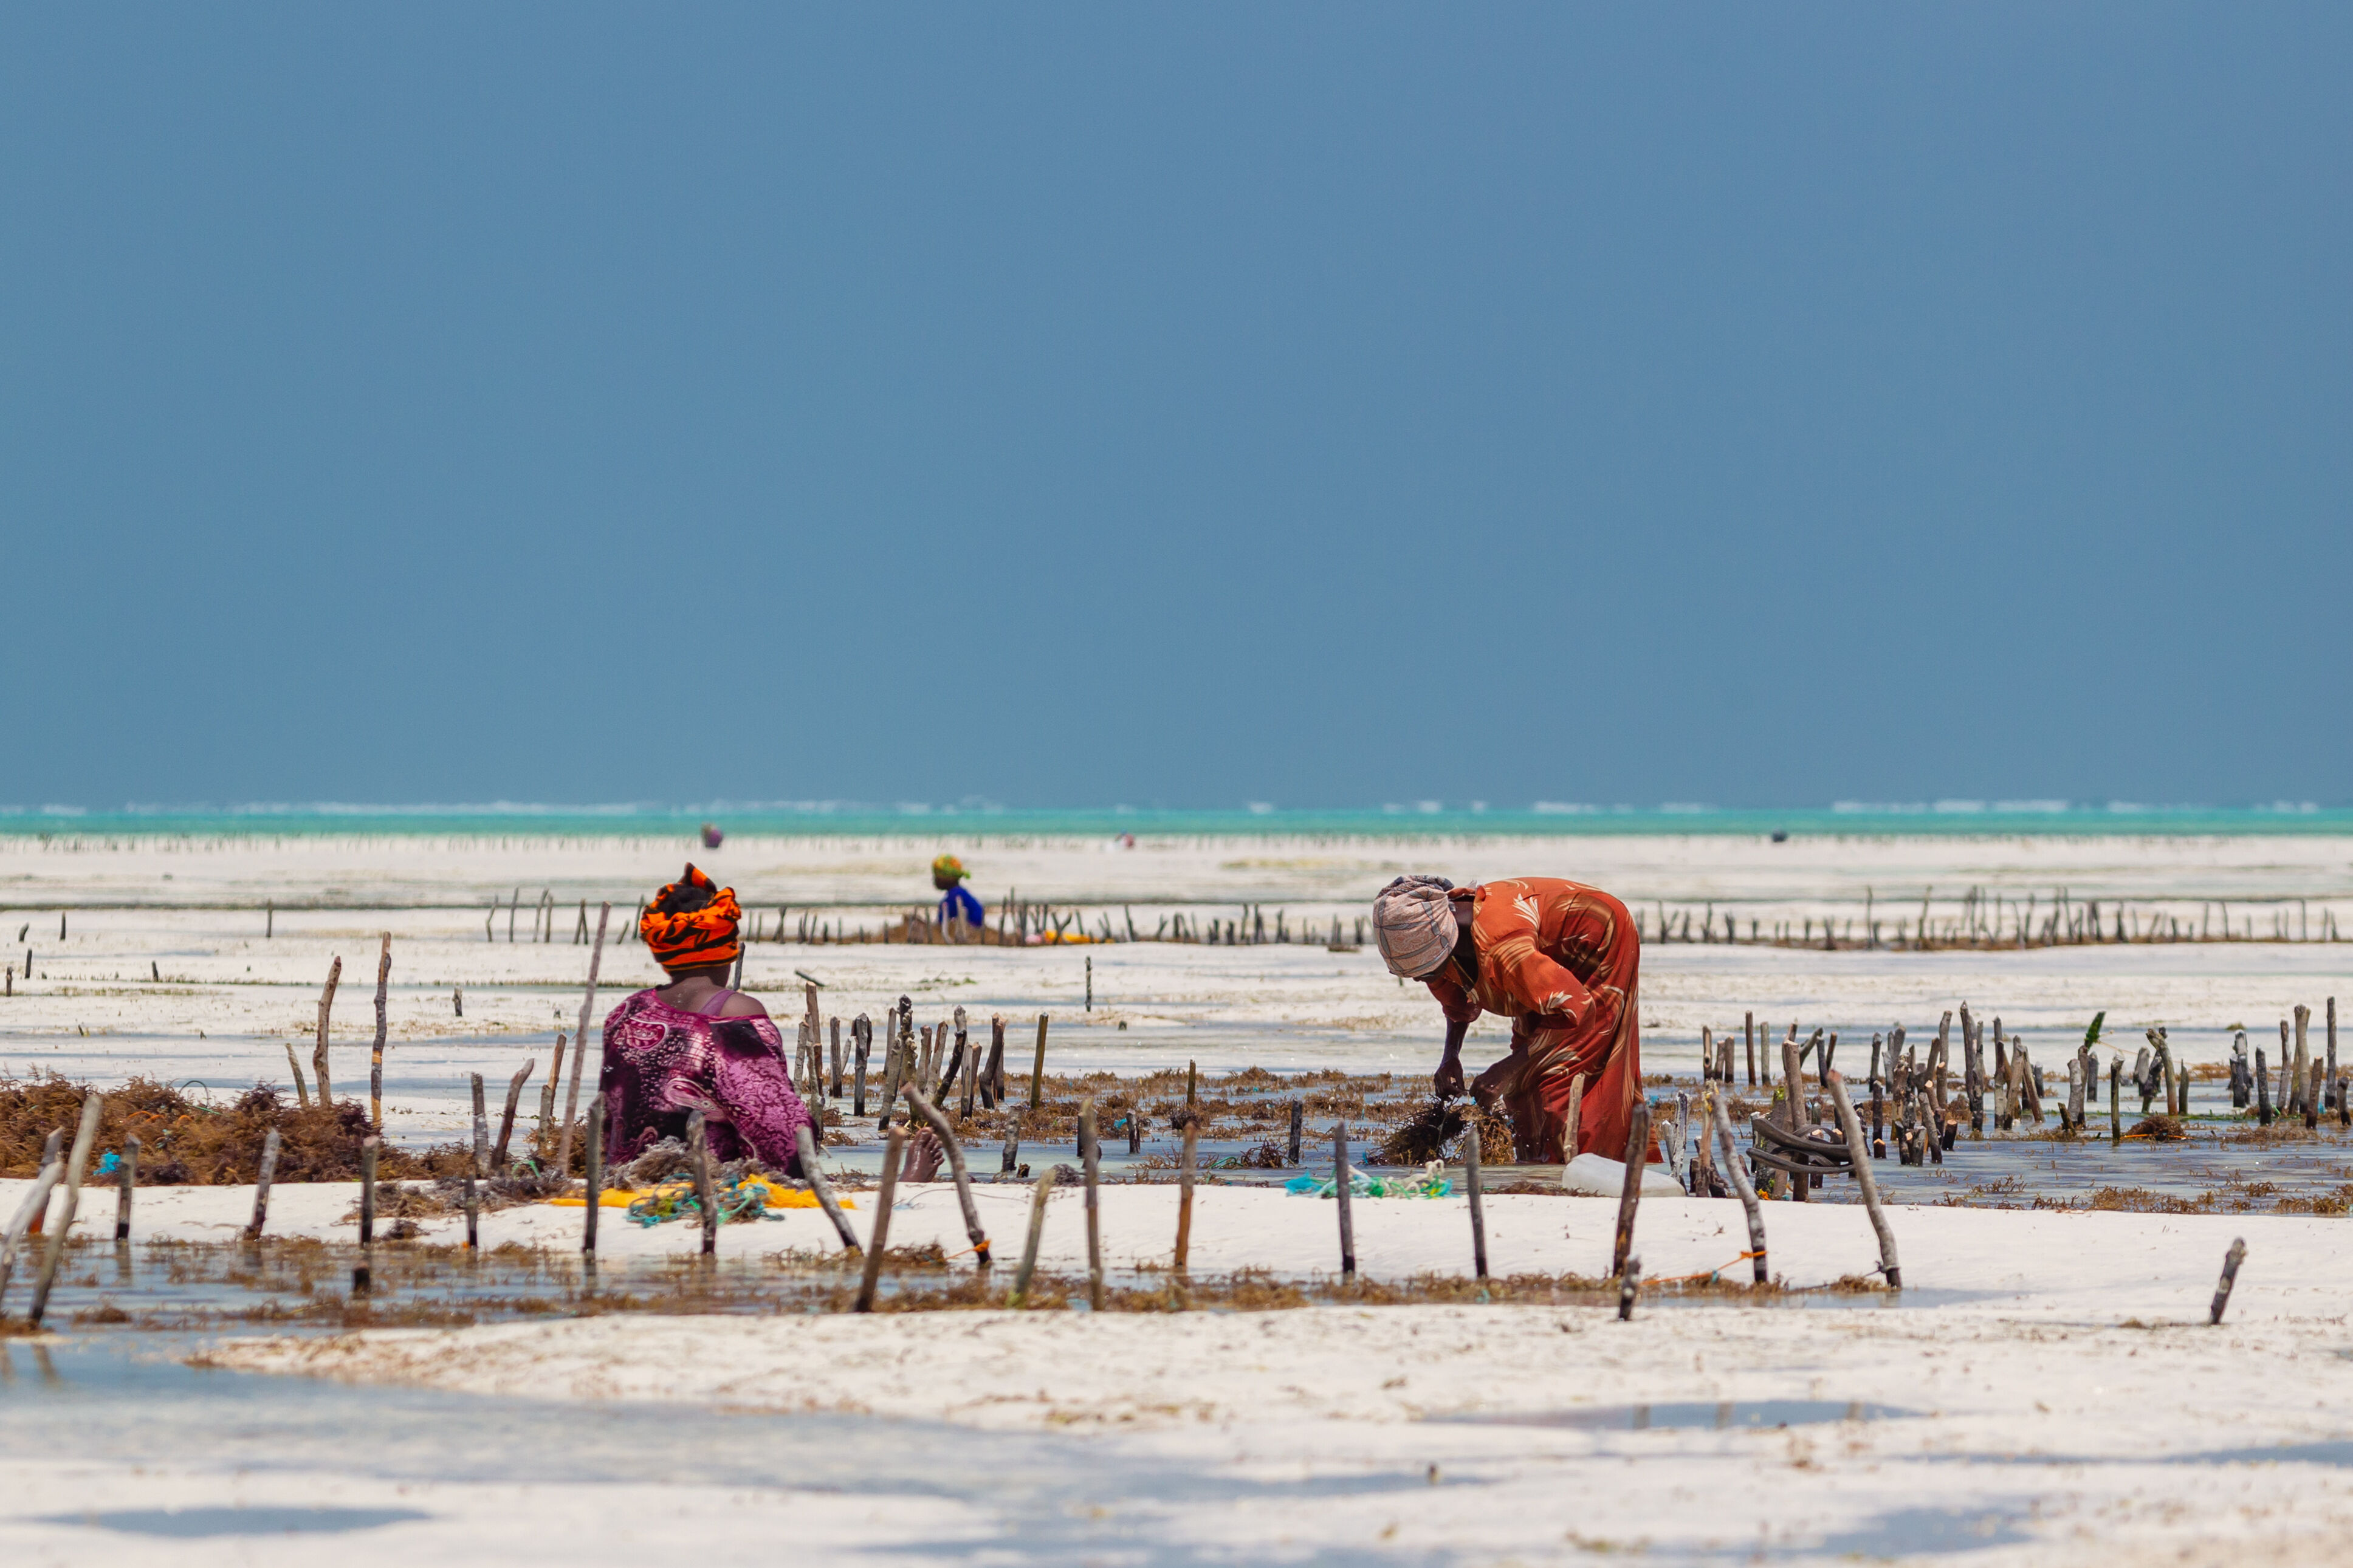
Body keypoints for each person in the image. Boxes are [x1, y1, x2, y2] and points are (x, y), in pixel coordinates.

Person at [1372, 873, 1644, 1165]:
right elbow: (1456, 1001)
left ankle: (1587, 1166)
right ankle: (1537, 1167)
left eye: (1425, 972)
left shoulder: (1503, 948)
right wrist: (1450, 1056)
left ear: (1445, 946)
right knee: (1523, 1087)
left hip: (1595, 939)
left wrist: (1506, 1069)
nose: (1418, 979)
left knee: (1560, 1077)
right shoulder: (1441, 940)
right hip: (1542, 966)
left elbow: (1577, 1013)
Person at [599, 864, 811, 1170]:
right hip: (708, 1185)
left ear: (662, 955)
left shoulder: (625, 1014)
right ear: (728, 951)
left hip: (627, 1180)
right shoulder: (736, 1015)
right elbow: (781, 1133)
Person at [932, 854, 984, 931]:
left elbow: (941, 923)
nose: (934, 880)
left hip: (971, 929)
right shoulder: (960, 893)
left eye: (937, 876)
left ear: (948, 878)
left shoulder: (954, 897)